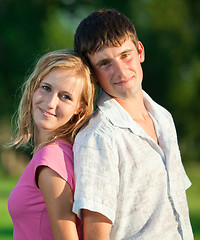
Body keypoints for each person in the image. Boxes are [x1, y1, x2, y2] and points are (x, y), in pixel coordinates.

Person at [72, 9, 194, 239]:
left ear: (140, 51)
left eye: (125, 55)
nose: (120, 70)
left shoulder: (163, 118)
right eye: (105, 63)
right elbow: (96, 234)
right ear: (92, 73)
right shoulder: (98, 137)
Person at [7, 49, 95, 240]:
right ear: (33, 87)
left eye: (65, 96)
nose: (50, 103)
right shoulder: (59, 153)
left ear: (79, 108)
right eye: (46, 88)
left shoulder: (51, 159)